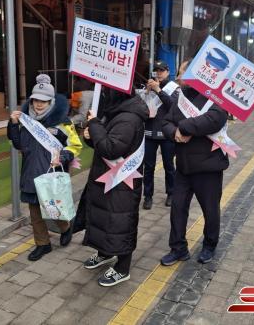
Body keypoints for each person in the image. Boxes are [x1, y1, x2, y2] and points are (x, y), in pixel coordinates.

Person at [77, 87, 149, 286]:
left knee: (120, 223)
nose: (103, 96)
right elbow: (103, 143)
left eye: (106, 92)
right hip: (107, 177)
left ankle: (122, 268)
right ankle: (105, 253)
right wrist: (90, 136)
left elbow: (111, 148)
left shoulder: (128, 118)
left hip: (122, 183)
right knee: (104, 219)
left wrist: (94, 124)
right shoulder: (117, 112)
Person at [160, 60, 229, 266]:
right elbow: (166, 122)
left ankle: (209, 245)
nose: (178, 77)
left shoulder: (214, 95)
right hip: (183, 166)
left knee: (210, 210)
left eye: (182, 73)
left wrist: (183, 128)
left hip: (209, 167)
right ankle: (178, 248)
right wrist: (174, 132)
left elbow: (216, 119)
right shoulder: (181, 96)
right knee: (177, 208)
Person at [8, 74, 82, 261]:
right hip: (31, 173)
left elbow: (75, 145)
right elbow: (19, 144)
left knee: (53, 209)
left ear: (51, 101)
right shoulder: (26, 121)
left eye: (44, 101)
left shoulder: (63, 122)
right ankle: (43, 244)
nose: (39, 104)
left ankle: (66, 228)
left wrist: (62, 157)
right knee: (35, 213)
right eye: (36, 100)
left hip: (52, 174)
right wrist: (13, 125)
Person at [142, 60, 177, 210]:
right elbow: (141, 106)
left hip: (167, 133)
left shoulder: (173, 87)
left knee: (169, 165)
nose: (159, 73)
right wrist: (146, 93)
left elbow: (173, 106)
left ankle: (171, 193)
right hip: (149, 132)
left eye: (162, 70)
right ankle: (148, 196)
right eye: (157, 70)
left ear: (168, 72)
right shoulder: (148, 86)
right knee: (148, 167)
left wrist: (158, 90)